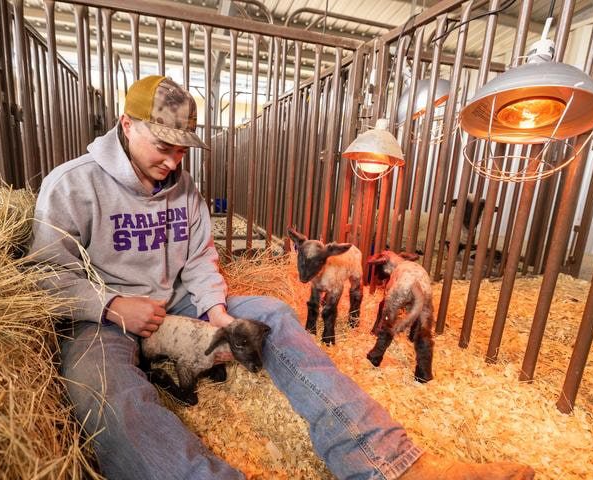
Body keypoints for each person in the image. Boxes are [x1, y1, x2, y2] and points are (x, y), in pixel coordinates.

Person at [28, 75, 535, 480]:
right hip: (102, 318)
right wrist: (115, 306)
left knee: (272, 313)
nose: (173, 160)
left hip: (177, 306)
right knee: (103, 392)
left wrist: (218, 312)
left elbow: (201, 259)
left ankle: (391, 464)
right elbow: (46, 276)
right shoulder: (73, 185)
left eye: (183, 150)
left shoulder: (185, 190)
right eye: (164, 145)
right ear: (128, 124)